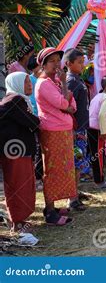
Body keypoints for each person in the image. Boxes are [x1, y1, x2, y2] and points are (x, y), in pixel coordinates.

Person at [35, 47, 76, 226]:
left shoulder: (55, 82)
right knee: (52, 170)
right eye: (51, 61)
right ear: (43, 65)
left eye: (57, 60)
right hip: (52, 131)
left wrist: (66, 100)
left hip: (62, 130)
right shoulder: (44, 84)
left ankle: (52, 207)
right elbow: (63, 102)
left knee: (63, 168)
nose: (55, 64)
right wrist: (65, 88)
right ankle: (50, 211)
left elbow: (71, 105)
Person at [0, 72, 40, 234]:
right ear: (16, 83)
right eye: (25, 82)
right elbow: (32, 121)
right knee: (18, 185)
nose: (30, 85)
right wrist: (38, 121)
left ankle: (19, 220)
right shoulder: (16, 100)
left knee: (19, 184)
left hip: (16, 150)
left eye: (29, 82)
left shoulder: (11, 100)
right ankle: (17, 222)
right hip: (16, 151)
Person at [64, 48, 92, 202]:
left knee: (79, 162)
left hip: (82, 127)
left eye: (83, 62)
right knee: (75, 162)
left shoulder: (78, 79)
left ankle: (75, 191)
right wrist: (73, 129)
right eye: (79, 62)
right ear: (68, 63)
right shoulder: (71, 82)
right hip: (76, 128)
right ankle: (72, 198)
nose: (83, 65)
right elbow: (67, 106)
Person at [88, 75, 106, 189]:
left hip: (90, 127)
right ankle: (99, 181)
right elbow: (101, 115)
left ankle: (98, 178)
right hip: (97, 129)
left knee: (95, 155)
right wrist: (104, 132)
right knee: (99, 156)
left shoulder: (97, 96)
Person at [27, 56, 43, 187]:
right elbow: (32, 100)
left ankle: (40, 175)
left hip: (42, 117)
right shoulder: (31, 80)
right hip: (36, 117)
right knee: (38, 147)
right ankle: (37, 176)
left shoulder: (42, 79)